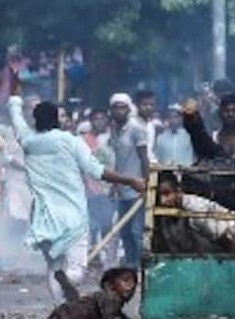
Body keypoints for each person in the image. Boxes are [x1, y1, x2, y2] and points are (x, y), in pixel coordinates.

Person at [8, 91, 145, 302]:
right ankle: (67, 283)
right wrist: (130, 180)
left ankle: (61, 309)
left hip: (43, 217)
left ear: (35, 121)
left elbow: (16, 116)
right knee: (76, 270)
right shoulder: (71, 141)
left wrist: (15, 96)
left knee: (54, 267)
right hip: (72, 216)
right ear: (57, 120)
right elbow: (98, 171)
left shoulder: (27, 140)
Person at [107, 93, 149, 265]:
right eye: (115, 107)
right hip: (122, 190)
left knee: (136, 231)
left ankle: (141, 268)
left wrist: (146, 184)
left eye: (122, 107)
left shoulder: (136, 128)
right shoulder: (114, 129)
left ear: (128, 109)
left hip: (137, 188)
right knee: (124, 232)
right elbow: (117, 157)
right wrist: (114, 183)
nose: (119, 111)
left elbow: (144, 158)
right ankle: (131, 267)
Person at [83, 108, 116, 266]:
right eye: (95, 119)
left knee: (106, 223)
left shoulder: (112, 138)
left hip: (107, 187)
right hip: (90, 187)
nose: (98, 122)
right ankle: (94, 255)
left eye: (101, 118)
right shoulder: (85, 140)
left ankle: (107, 255)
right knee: (92, 225)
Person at [133, 89, 158, 154]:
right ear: (137, 105)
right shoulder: (132, 125)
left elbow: (149, 151)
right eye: (144, 104)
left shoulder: (151, 127)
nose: (148, 107)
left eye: (151, 104)